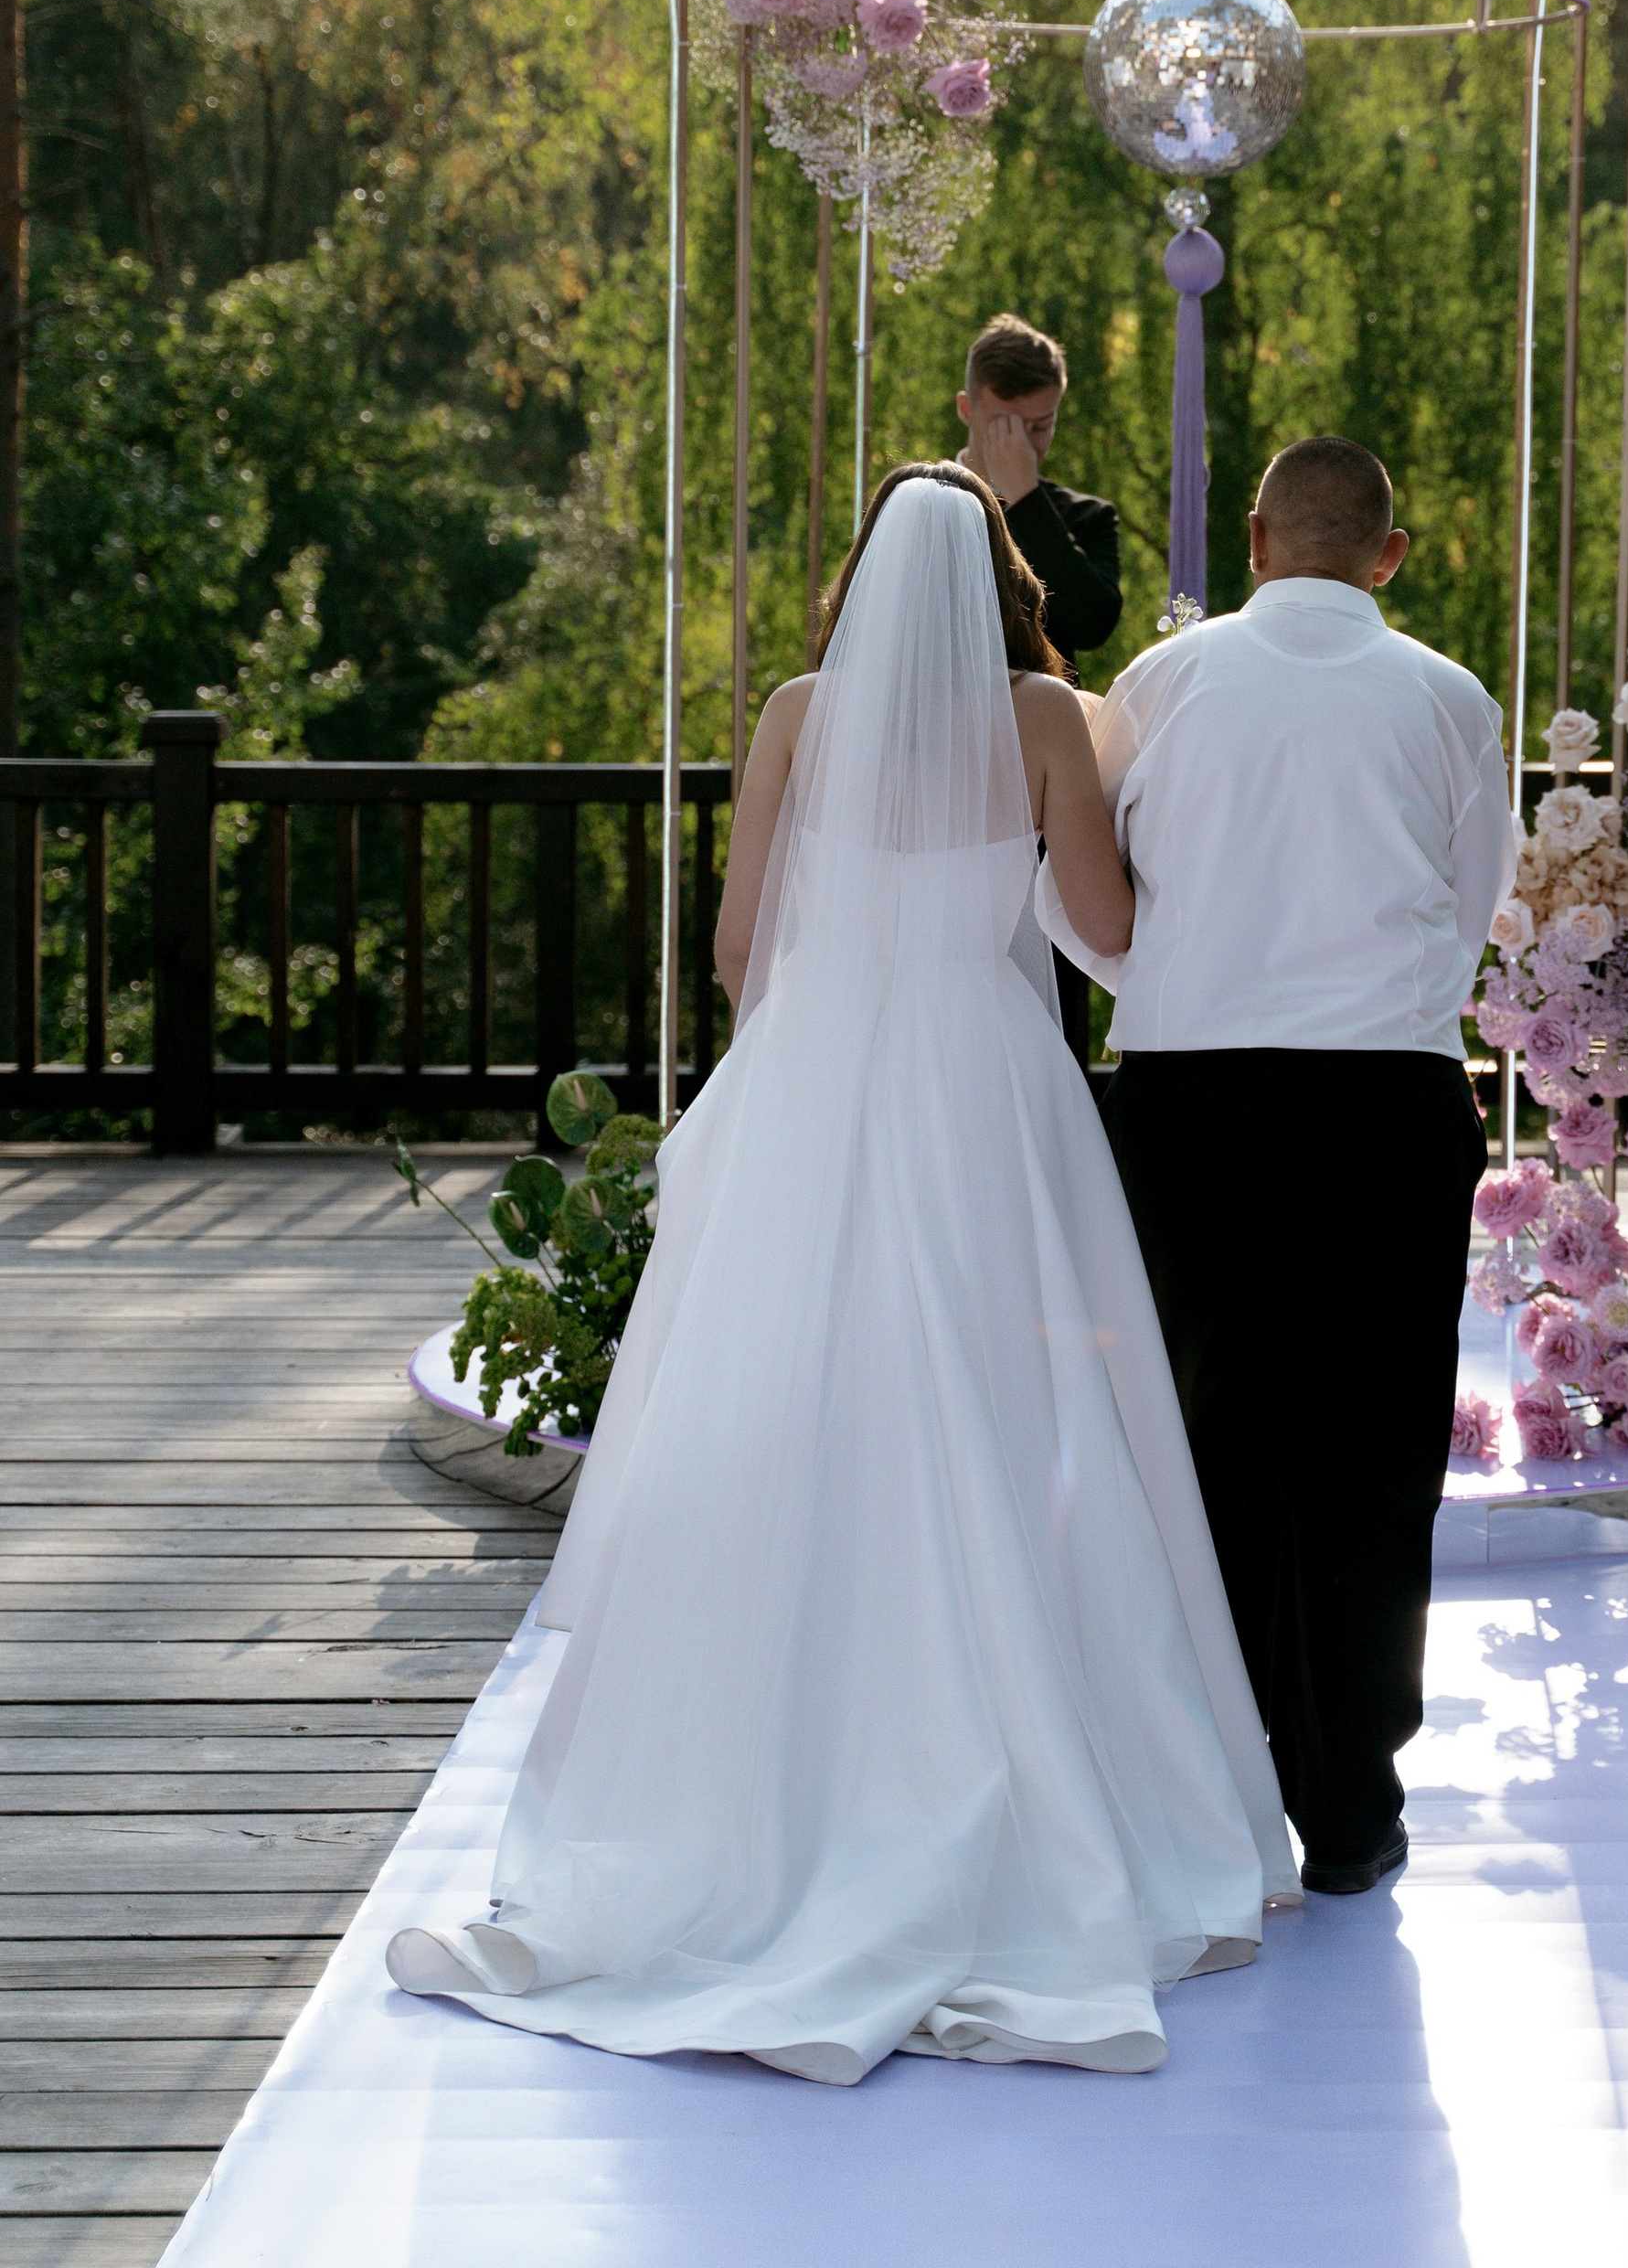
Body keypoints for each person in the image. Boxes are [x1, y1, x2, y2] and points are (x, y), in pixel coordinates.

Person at [386, 463, 1296, 2082]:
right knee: (1017, 1412)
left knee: (786, 1406)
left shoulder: (802, 707)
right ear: (1003, 572)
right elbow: (1109, 923)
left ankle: (758, 1784)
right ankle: (1017, 1770)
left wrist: (798, 1037)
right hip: (983, 1080)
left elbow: (742, 949)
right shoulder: (1044, 715)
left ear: (868, 574)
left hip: (816, 1069)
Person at [1040, 435, 1512, 1900]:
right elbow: (1474, 907)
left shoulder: (1163, 688)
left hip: (1197, 1098)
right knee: (1376, 1447)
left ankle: (1222, 1782)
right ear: (1393, 552)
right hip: (1385, 1093)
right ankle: (1353, 1797)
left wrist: (1149, 979)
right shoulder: (1448, 698)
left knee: (1210, 1432)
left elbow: (1083, 891)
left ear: (1252, 541)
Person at [956, 311, 1123, 1068]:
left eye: (1041, 427)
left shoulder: (1082, 518)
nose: (1022, 445)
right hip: (938, 796)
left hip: (1040, 800)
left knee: (1044, 1023)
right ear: (969, 410)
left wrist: (1023, 501)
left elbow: (1089, 621)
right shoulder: (921, 514)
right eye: (1005, 426)